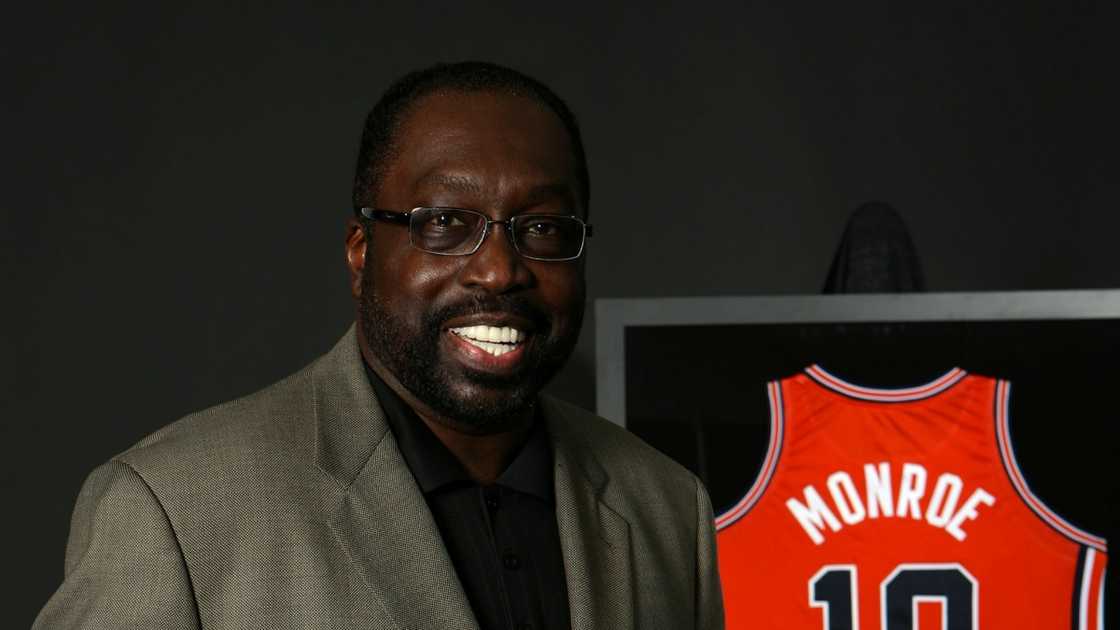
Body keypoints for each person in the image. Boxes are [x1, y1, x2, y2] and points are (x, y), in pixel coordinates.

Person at [34, 61, 724, 629]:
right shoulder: (174, 512)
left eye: (541, 227)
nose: (500, 270)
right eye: (447, 222)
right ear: (361, 253)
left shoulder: (666, 507)